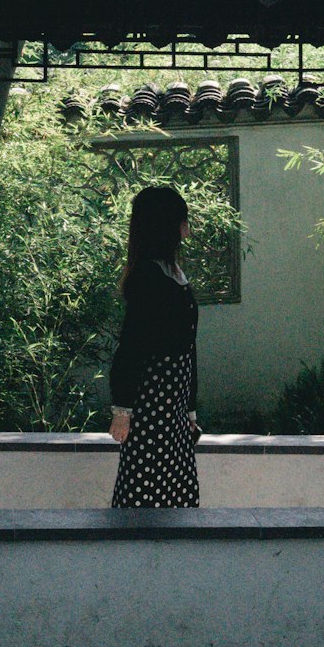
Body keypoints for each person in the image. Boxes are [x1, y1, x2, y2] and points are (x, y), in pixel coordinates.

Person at [108, 185, 200, 508]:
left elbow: (189, 349)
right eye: (181, 220)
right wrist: (122, 409)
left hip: (173, 403)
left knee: (176, 486)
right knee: (146, 488)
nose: (186, 228)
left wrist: (189, 408)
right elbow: (132, 347)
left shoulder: (173, 273)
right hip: (152, 401)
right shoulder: (148, 277)